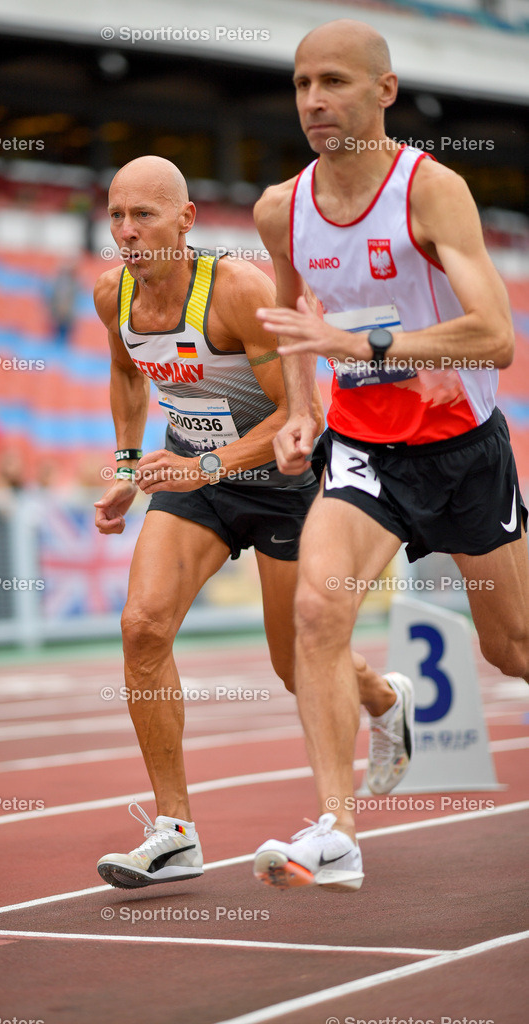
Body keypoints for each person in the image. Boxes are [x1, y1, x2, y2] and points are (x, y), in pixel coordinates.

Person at [251, 19, 529, 893]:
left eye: (332, 81)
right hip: (366, 453)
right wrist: (300, 410)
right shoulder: (278, 210)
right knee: (316, 617)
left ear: (384, 91)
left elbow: (494, 338)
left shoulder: (430, 190)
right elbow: (295, 327)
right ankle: (336, 830)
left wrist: (366, 345)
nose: (312, 101)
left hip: (463, 452)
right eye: (300, 84)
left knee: (512, 646)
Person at [92, 154, 414, 890]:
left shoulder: (236, 291)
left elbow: (300, 414)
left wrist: (206, 467)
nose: (127, 232)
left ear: (185, 220)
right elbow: (123, 373)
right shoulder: (110, 294)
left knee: (293, 663)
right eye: (115, 215)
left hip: (280, 483)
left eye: (143, 215)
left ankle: (385, 699)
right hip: (192, 476)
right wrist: (122, 467)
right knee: (141, 627)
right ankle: (174, 833)